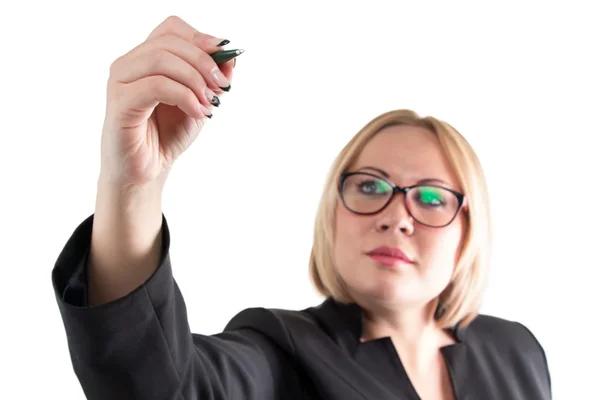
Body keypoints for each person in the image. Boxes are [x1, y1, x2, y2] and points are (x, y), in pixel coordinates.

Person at [51, 16, 552, 400]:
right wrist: (134, 184)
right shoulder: (283, 351)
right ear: (332, 215)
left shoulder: (516, 352)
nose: (396, 216)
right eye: (370, 187)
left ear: (468, 229)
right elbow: (160, 385)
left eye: (430, 198)